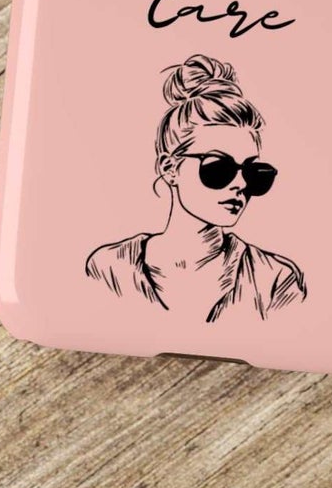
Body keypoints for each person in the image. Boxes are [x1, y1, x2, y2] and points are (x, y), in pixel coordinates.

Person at [86, 54, 307, 321]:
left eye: (252, 172)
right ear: (170, 169)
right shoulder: (109, 267)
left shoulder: (275, 279)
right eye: (219, 168)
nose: (240, 184)